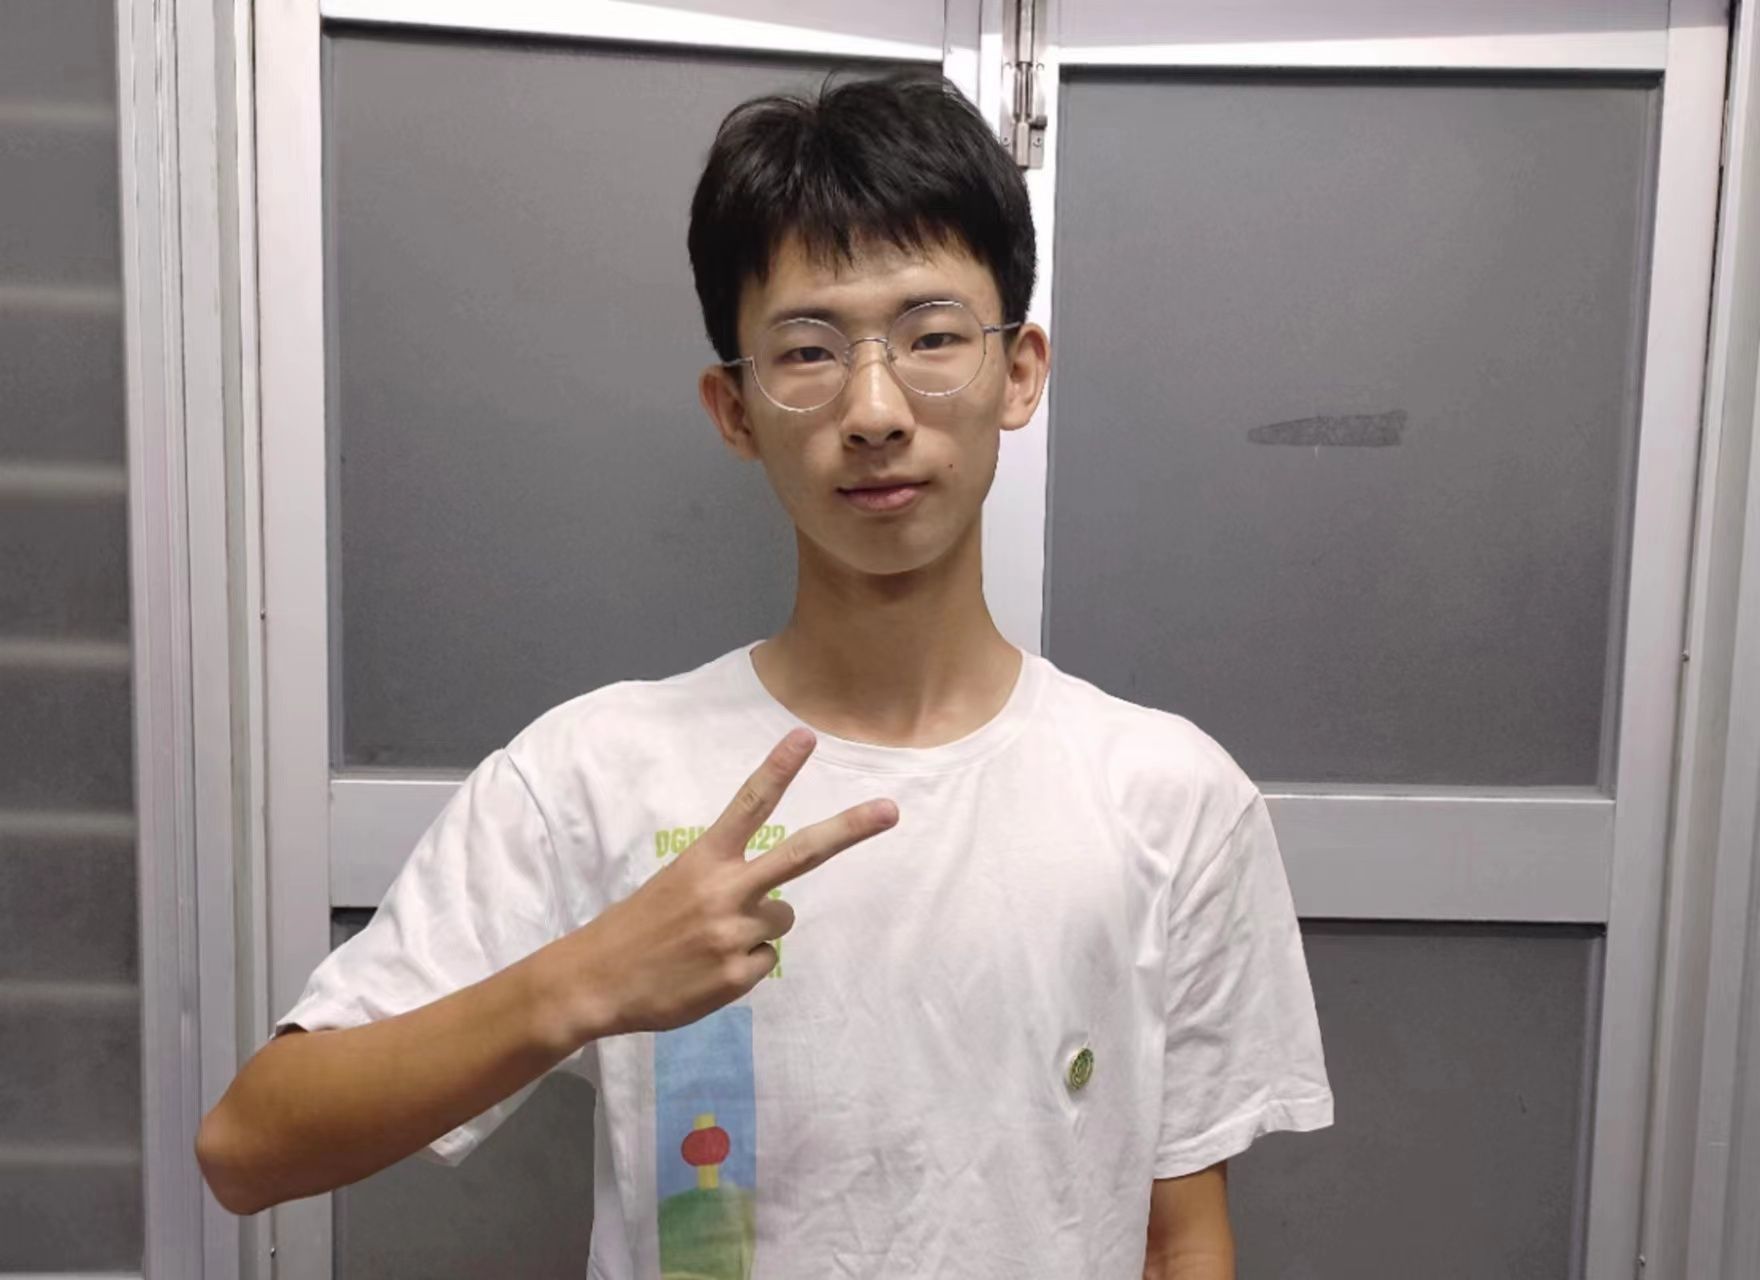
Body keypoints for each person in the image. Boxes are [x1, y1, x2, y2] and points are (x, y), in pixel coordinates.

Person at [196, 69, 1332, 1279]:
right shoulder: (594, 770)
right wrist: (577, 982)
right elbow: (248, 1145)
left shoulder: (1168, 795)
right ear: (733, 407)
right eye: (806, 350)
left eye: (932, 336)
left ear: (1018, 371)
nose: (875, 408)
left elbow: (1177, 1237)